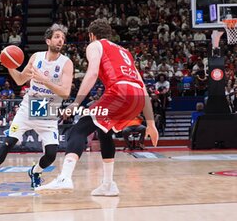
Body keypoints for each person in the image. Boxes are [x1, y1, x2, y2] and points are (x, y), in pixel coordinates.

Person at [36, 19, 158, 196]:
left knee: (78, 130)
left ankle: (64, 178)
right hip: (138, 96)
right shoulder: (125, 52)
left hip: (120, 91)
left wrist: (76, 103)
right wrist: (151, 123)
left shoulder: (95, 45)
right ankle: (108, 184)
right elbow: (143, 86)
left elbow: (92, 73)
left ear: (92, 35)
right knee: (104, 130)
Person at [0, 23, 74, 195]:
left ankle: (35, 171)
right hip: (29, 106)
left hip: (48, 111)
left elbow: (64, 92)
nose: (60, 40)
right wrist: (8, 64)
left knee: (51, 155)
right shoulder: (36, 58)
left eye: (62, 38)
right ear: (48, 40)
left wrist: (44, 80)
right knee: (8, 141)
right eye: (57, 37)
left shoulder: (66, 63)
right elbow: (19, 80)